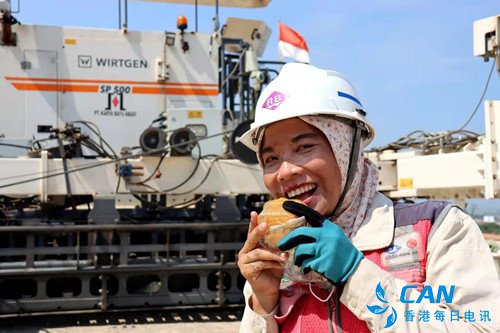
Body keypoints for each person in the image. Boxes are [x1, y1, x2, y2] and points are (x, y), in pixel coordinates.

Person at [236, 63, 500, 333]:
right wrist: (263, 306)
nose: (285, 171)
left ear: (345, 148)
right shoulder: (277, 259)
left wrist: (356, 275)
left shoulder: (436, 228)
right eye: (271, 159)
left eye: (304, 147)